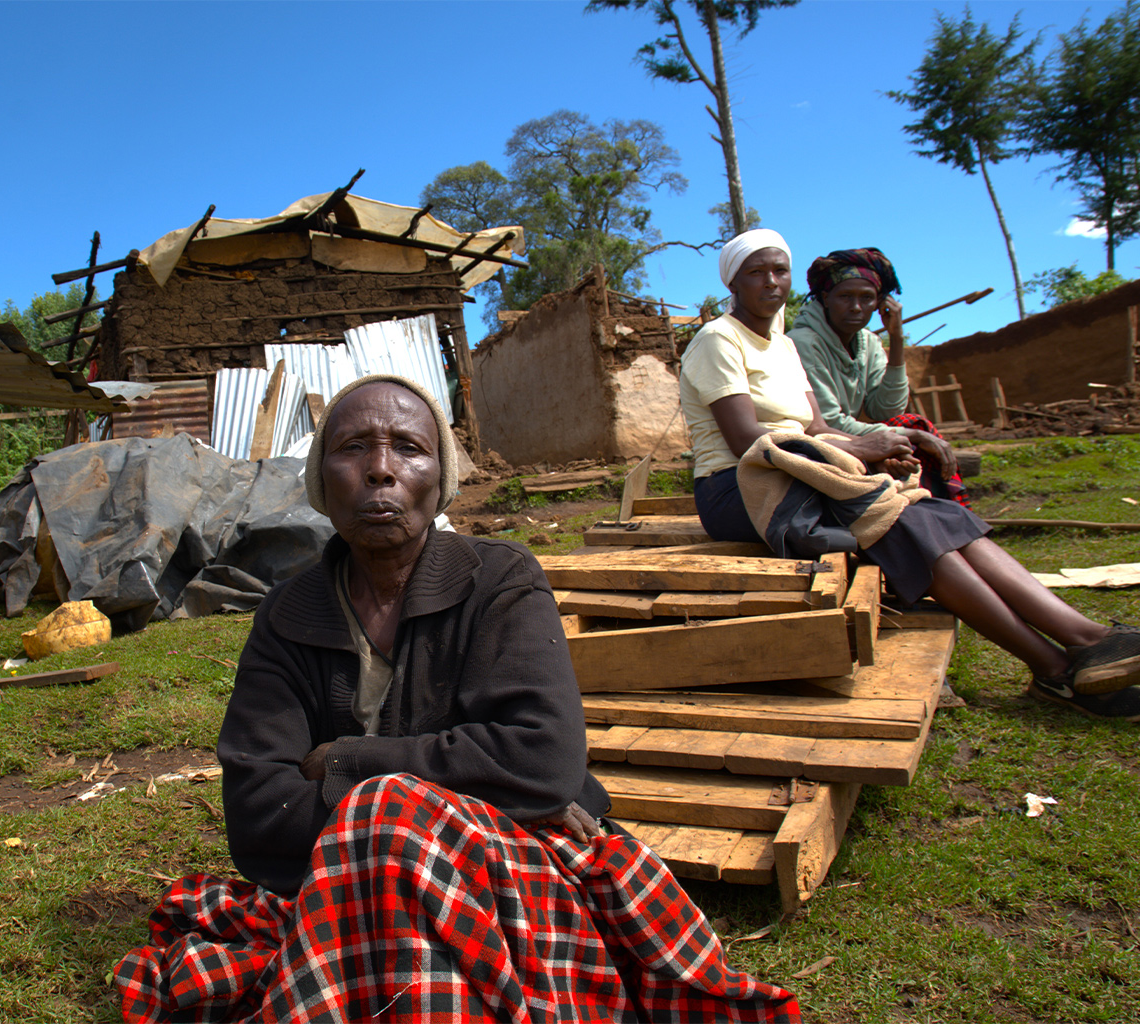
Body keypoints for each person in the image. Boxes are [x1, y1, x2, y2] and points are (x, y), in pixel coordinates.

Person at [111, 374, 799, 1022]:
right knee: (385, 823)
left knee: (387, 808)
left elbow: (544, 758)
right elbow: (259, 814)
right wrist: (444, 798)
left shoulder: (499, 580)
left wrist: (352, 761)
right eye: (353, 448)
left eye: (408, 448)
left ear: (440, 480)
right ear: (323, 479)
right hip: (346, 889)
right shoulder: (290, 615)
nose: (381, 469)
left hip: (503, 878)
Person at [680, 229, 1140, 719]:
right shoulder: (718, 339)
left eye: (779, 270)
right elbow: (746, 440)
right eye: (756, 272)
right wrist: (859, 446)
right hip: (737, 489)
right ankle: (1060, 663)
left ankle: (1080, 648)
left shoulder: (783, 346)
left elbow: (814, 427)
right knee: (897, 520)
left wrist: (872, 454)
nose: (771, 282)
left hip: (802, 473)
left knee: (932, 512)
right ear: (734, 281)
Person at [787, 248, 967, 503]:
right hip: (813, 445)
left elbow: (886, 410)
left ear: (880, 302)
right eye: (845, 296)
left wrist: (895, 338)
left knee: (909, 430)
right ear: (826, 298)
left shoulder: (868, 343)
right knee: (915, 432)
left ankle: (941, 515)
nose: (856, 307)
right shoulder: (803, 342)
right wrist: (909, 437)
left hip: (847, 440)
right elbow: (829, 425)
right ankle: (938, 515)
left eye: (867, 298)